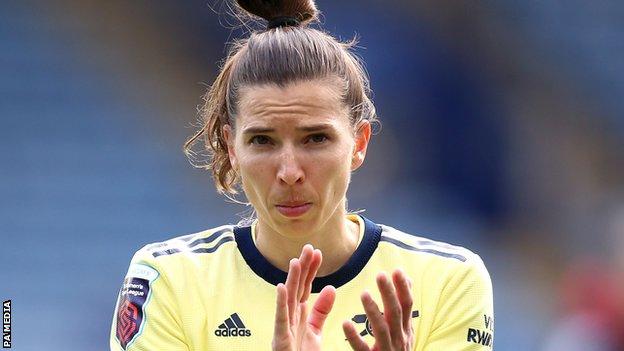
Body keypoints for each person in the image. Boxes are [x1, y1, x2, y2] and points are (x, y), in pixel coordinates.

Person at [109, 0, 494, 350]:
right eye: (262, 140)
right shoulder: (167, 280)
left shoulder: (448, 280)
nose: (289, 172)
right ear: (231, 147)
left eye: (315, 138)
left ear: (359, 143)